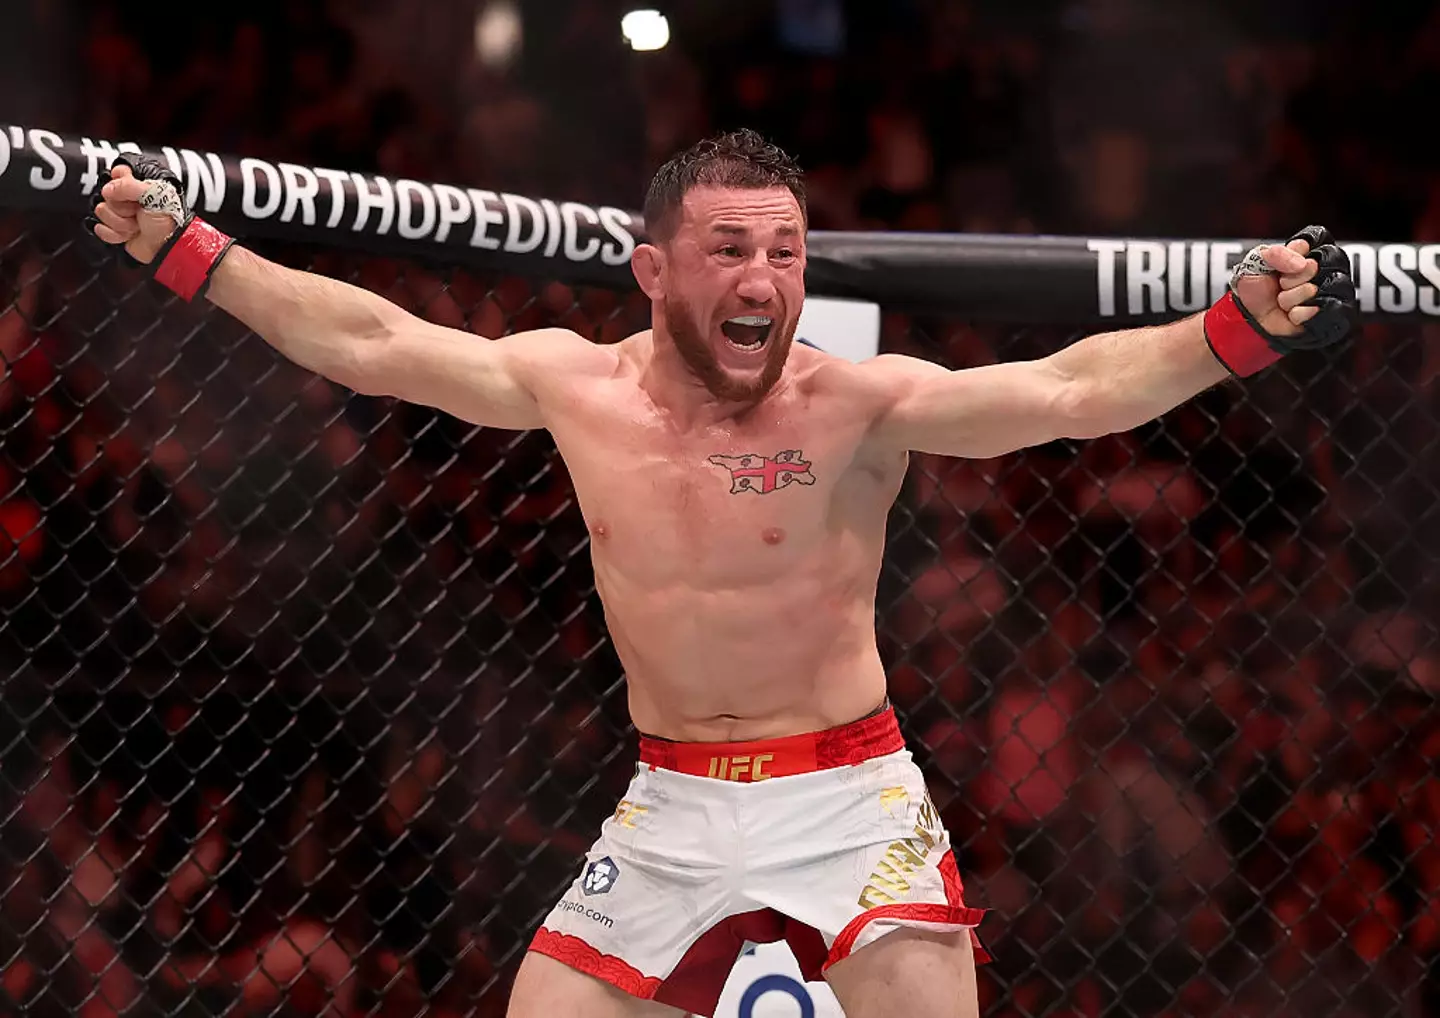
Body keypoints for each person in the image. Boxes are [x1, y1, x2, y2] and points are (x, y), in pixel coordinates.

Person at [87, 129, 1356, 1018]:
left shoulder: (857, 404)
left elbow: (1073, 389)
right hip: (670, 802)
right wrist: (196, 256)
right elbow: (373, 339)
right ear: (653, 270)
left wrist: (1234, 327)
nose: (764, 279)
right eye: (730, 250)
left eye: (786, 253)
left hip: (849, 793)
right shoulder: (576, 385)